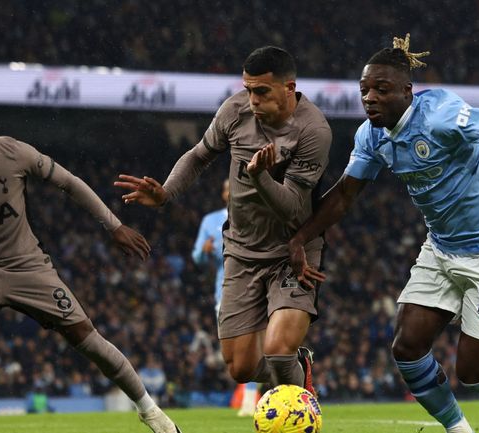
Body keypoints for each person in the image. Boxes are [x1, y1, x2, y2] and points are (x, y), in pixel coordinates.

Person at [287, 34, 479, 433]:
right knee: (406, 349)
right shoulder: (372, 136)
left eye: (381, 90)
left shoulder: (438, 112)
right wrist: (300, 237)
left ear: (407, 91)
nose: (370, 98)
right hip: (440, 249)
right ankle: (459, 430)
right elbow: (345, 195)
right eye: (364, 90)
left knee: (476, 376)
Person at [0, 84, 181, 433]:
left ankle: (152, 414)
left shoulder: (13, 153)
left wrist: (113, 225)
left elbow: (70, 183)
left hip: (29, 267)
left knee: (89, 340)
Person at [116, 46, 332, 397]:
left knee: (278, 351)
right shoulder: (234, 111)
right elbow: (199, 155)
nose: (252, 100)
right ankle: (299, 367)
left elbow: (293, 207)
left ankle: (301, 411)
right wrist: (166, 192)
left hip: (293, 252)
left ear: (288, 88)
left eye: (261, 91)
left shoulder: (313, 130)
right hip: (242, 252)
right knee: (240, 368)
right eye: (248, 90)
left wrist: (260, 177)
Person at [191, 179, 258, 416]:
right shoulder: (210, 221)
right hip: (225, 290)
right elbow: (197, 257)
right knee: (234, 351)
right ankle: (251, 392)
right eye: (228, 188)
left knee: (255, 342)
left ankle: (251, 399)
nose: (232, 192)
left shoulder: (257, 216)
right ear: (223, 193)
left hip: (255, 287)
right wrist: (204, 252)